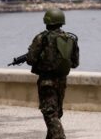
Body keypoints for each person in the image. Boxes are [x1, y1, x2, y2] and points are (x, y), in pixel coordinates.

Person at [25, 8, 79, 139]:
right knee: (56, 113)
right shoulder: (70, 39)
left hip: (46, 81)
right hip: (62, 81)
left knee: (50, 113)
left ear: (47, 21)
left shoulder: (41, 38)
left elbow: (31, 59)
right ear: (62, 22)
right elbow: (75, 63)